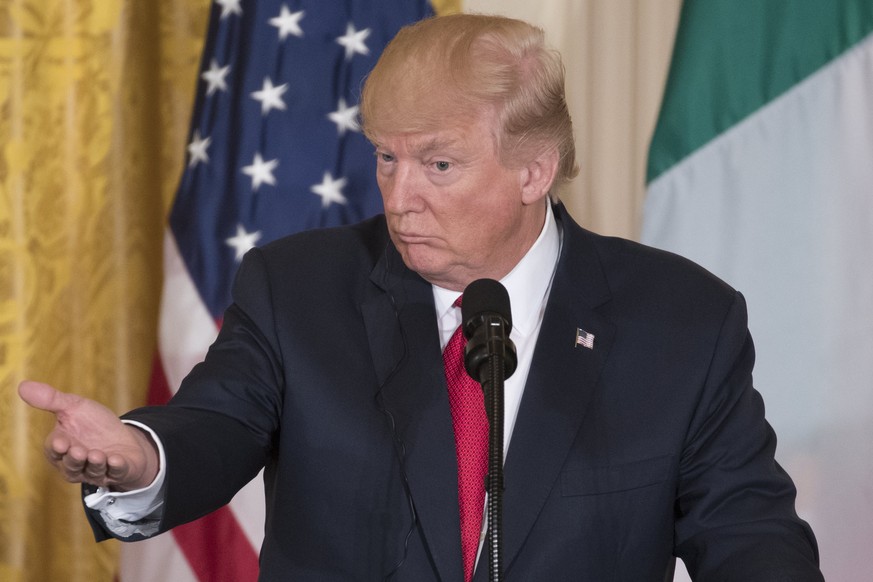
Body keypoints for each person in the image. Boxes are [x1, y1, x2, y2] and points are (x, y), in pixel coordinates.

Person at [19, 13, 823, 581]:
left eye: (437, 165)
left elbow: (746, 532)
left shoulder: (681, 320)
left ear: (533, 168)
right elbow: (217, 425)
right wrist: (140, 457)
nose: (400, 197)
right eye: (385, 159)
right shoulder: (298, 288)